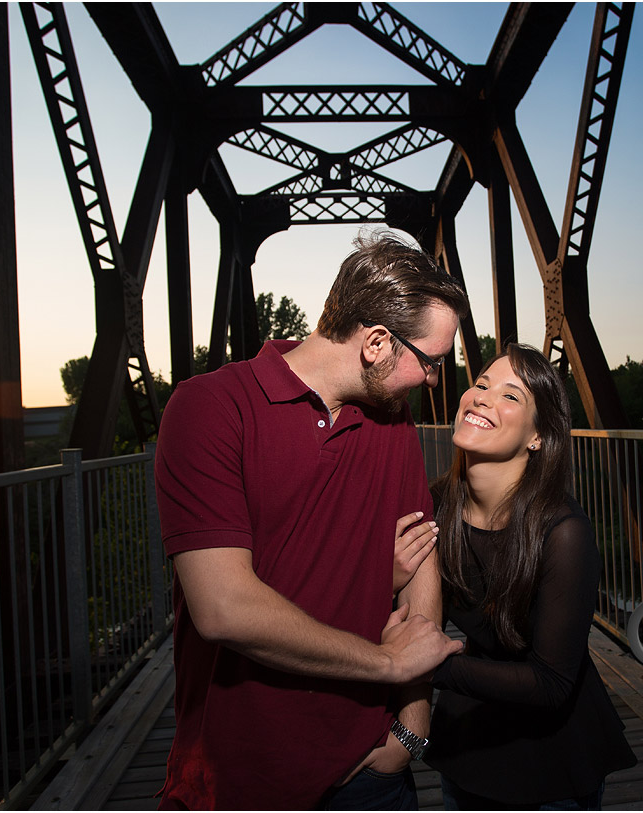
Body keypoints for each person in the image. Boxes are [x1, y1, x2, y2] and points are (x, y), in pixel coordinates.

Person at [154, 232, 469, 810]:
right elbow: (224, 609)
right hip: (242, 779)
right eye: (431, 363)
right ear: (377, 343)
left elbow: (421, 552)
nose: (432, 381)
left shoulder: (391, 420)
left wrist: (412, 725)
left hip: (372, 770)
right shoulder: (209, 409)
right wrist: (388, 662)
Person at [407, 343, 637, 809]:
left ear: (537, 437)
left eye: (512, 396)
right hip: (469, 744)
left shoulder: (563, 533)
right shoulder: (436, 508)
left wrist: (431, 665)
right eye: (481, 383)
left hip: (551, 763)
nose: (483, 397)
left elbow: (551, 683)